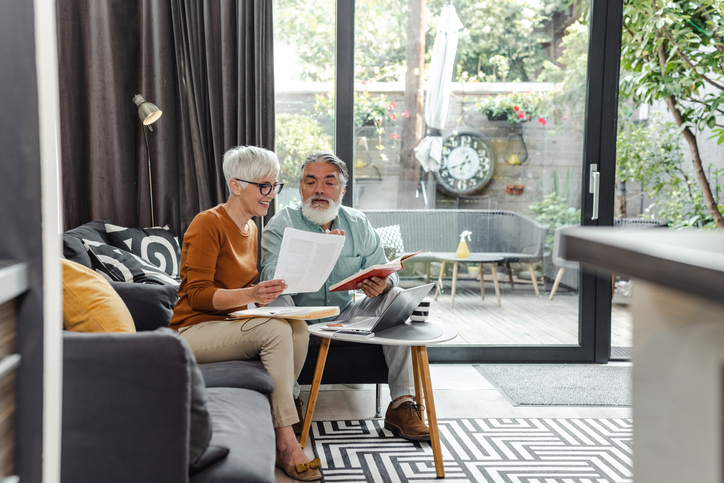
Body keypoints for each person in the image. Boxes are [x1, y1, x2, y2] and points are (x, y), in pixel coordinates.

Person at [169, 146, 321, 482]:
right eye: (263, 186)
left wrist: (265, 292)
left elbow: (248, 289)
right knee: (276, 331)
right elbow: (197, 296)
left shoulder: (252, 229)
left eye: (275, 186)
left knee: (297, 328)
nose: (271, 194)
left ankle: (282, 404)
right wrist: (251, 295)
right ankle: (285, 439)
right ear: (236, 185)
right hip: (192, 331)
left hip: (229, 325)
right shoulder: (207, 224)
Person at [260, 151, 430, 442]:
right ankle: (288, 403)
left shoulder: (358, 223)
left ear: (342, 189)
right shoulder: (281, 223)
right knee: (276, 303)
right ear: (300, 188)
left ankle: (402, 405)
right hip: (298, 319)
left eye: (329, 182)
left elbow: (386, 270)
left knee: (397, 296)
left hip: (343, 318)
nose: (320, 190)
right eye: (310, 182)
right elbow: (268, 276)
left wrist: (384, 283)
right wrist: (316, 252)